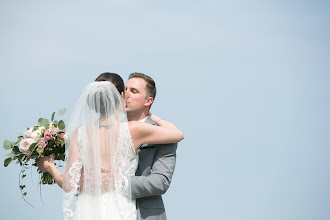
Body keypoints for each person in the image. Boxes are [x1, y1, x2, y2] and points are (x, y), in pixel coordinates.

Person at [36, 73, 183, 220]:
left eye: (134, 91)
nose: (128, 96)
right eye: (126, 91)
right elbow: (178, 133)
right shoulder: (134, 130)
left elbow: (68, 184)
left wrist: (51, 167)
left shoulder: (79, 133)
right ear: (120, 96)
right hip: (118, 207)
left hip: (87, 207)